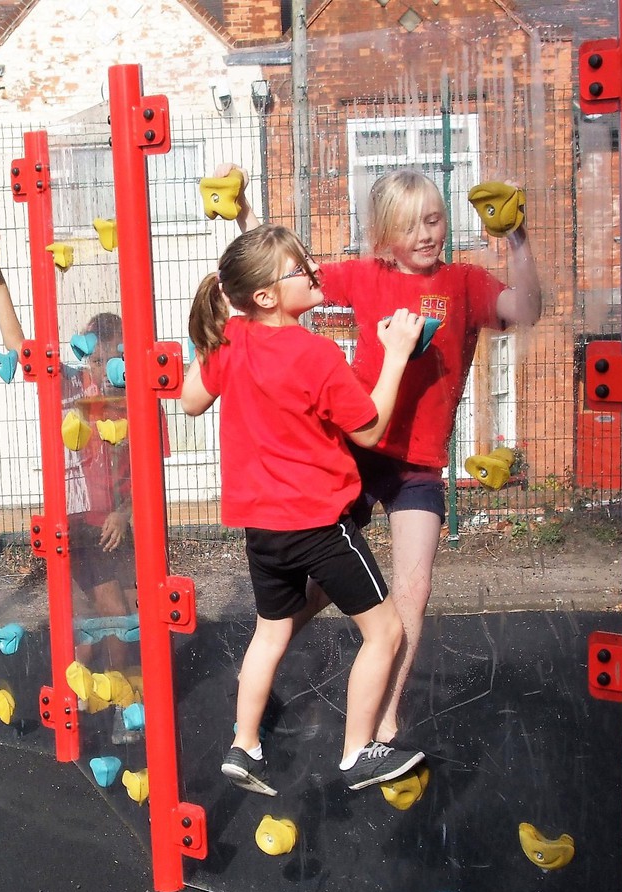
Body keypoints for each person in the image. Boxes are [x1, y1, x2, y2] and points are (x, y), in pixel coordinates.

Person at [220, 165, 543, 746]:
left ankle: (384, 721)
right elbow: (284, 273)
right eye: (411, 225)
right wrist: (245, 216)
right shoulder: (365, 275)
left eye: (434, 220)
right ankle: (259, 669)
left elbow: (527, 310)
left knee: (413, 589)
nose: (426, 234)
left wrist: (518, 238)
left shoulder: (465, 282)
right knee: (322, 588)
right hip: (357, 454)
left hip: (419, 467)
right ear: (385, 233)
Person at [181, 222, 427, 796]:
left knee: (270, 633)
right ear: (266, 296)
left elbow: (190, 401)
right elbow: (369, 429)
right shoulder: (314, 353)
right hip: (319, 526)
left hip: (263, 530)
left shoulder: (232, 340)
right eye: (300, 267)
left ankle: (244, 746)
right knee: (386, 632)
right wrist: (396, 356)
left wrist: (217, 329)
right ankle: (358, 752)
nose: (315, 270)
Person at [0, 246, 137, 673]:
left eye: (112, 359)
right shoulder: (71, 384)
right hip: (76, 522)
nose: (102, 369)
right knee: (110, 612)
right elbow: (19, 347)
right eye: (94, 359)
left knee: (117, 614)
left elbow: (147, 473)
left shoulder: (135, 399)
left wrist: (125, 513)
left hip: (117, 524)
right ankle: (111, 693)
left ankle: (105, 692)